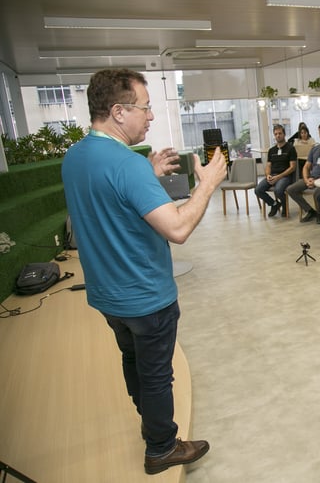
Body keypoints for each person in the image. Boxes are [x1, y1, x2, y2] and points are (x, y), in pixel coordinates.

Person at [61, 68, 225, 475]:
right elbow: (178, 228)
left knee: (132, 362)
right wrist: (207, 184)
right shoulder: (126, 165)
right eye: (145, 108)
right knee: (156, 374)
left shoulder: (77, 156)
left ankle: (151, 425)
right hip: (145, 295)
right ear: (118, 111)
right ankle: (161, 447)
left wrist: (146, 175)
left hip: (107, 294)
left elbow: (107, 199)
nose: (150, 116)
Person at [286, 122, 320, 223]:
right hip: (312, 177)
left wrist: (317, 181)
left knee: (317, 193)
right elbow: (306, 166)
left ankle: (319, 214)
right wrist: (307, 179)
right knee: (290, 189)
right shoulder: (314, 149)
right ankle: (310, 211)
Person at [255, 124, 297, 217]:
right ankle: (274, 204)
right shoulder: (272, 150)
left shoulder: (291, 148)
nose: (278, 135)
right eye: (276, 134)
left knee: (278, 190)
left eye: (280, 133)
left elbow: (292, 167)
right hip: (272, 175)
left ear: (284, 134)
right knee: (258, 190)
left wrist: (279, 177)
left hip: (285, 176)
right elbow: (268, 165)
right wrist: (268, 175)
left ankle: (285, 207)